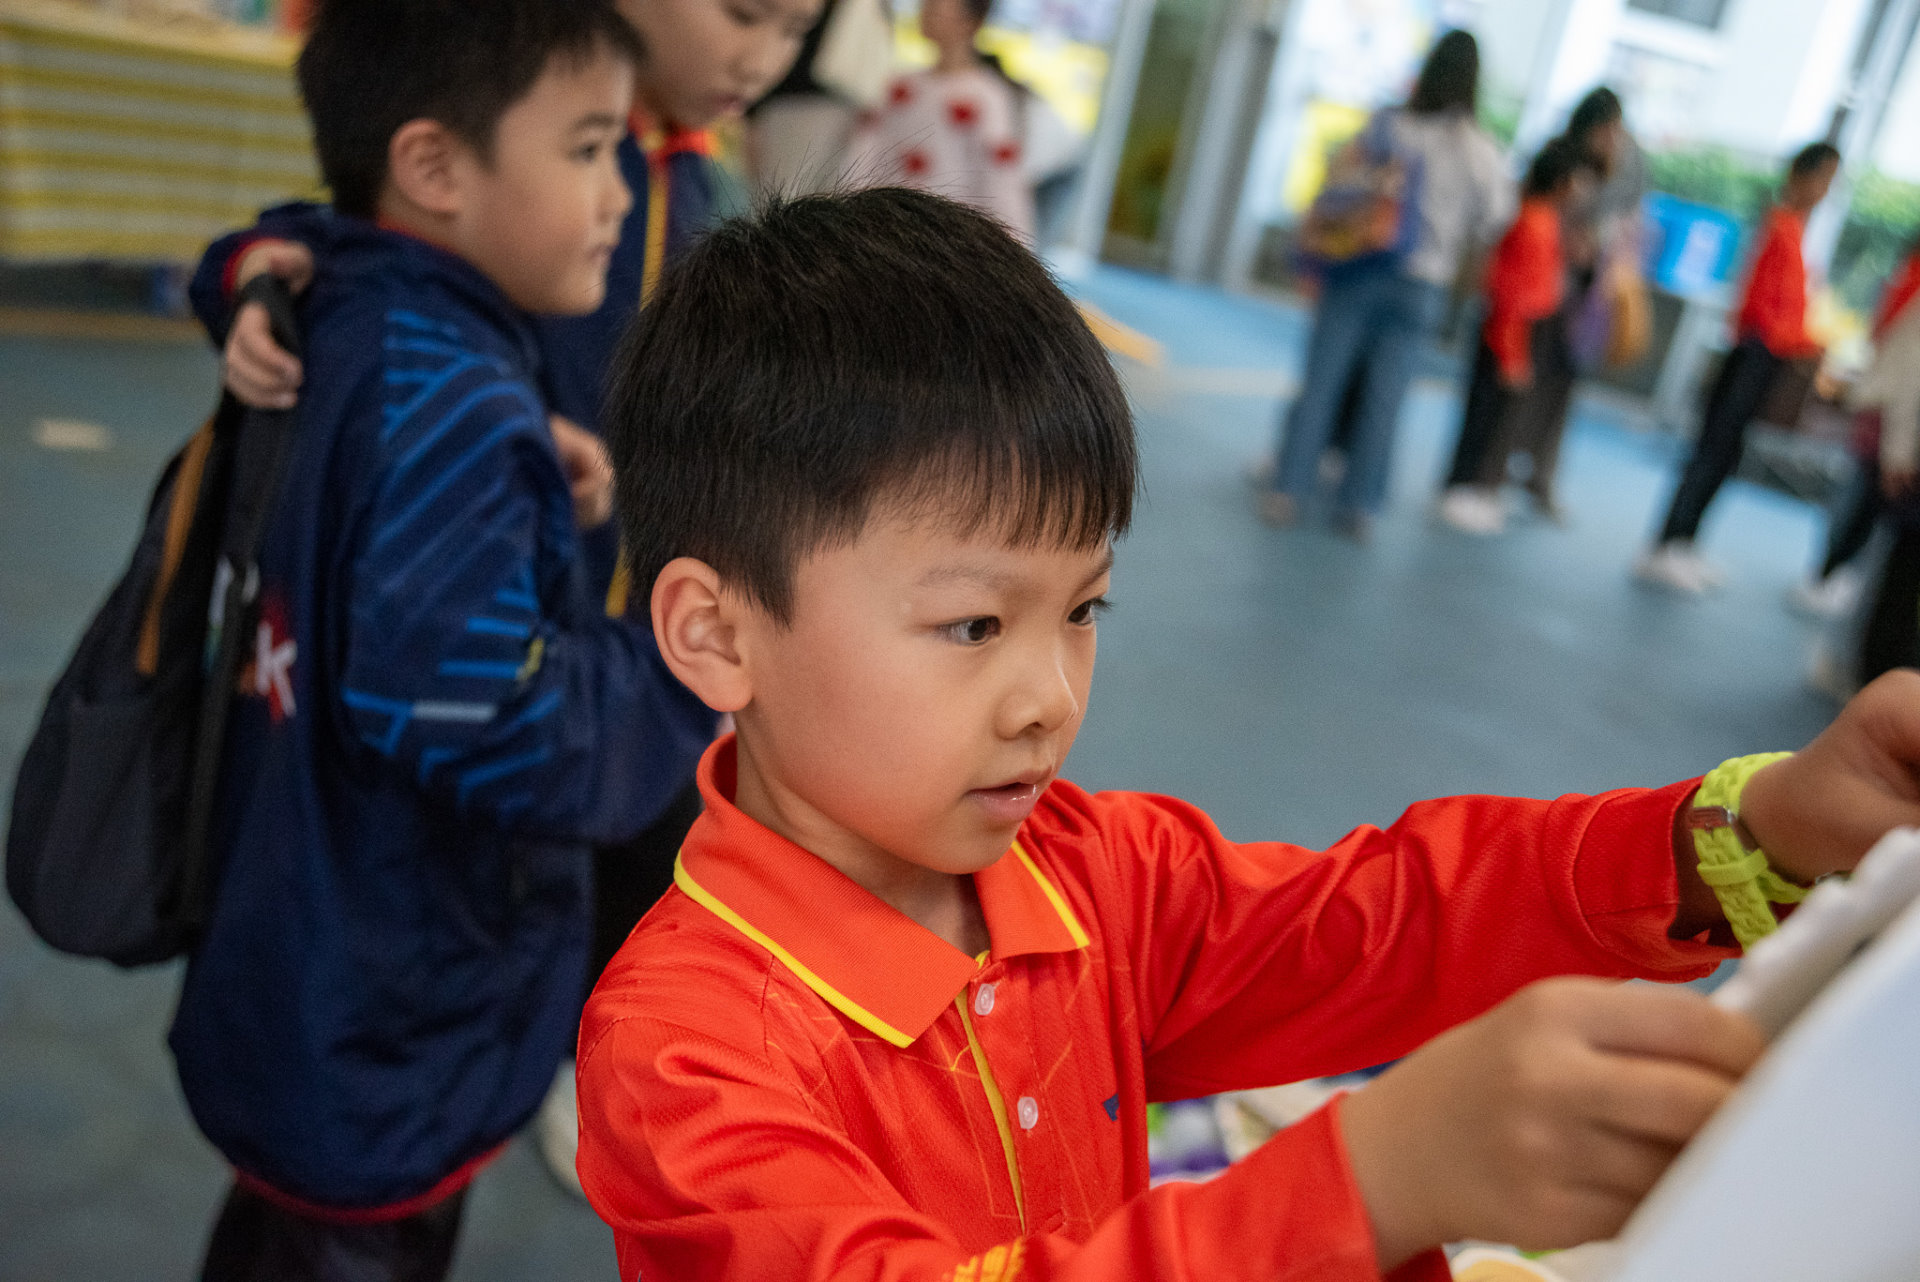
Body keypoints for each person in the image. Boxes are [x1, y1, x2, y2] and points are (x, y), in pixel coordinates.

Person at [572, 187, 1918, 1280]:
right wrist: (1371, 1180)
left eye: (1084, 609)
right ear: (719, 634)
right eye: (975, 624)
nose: (1050, 696)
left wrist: (1764, 828)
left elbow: (1391, 918)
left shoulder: (1092, 872)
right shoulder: (682, 1053)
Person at [193, 0, 824, 1193]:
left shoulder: (679, 183)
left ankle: (580, 1059)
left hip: (589, 623)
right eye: (744, 12)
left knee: (626, 875)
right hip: (551, 664)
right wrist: (250, 279)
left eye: (796, 30)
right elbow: (334, 242)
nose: (764, 54)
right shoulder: (520, 124)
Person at [1260, 29, 1511, 541]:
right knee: (1387, 398)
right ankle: (1360, 506)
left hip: (1359, 267)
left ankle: (1288, 488)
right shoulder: (1481, 149)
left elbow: (1336, 183)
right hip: (1425, 285)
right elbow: (1496, 219)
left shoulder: (1389, 126)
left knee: (1322, 382)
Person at [1637, 141, 1841, 594]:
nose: (1826, 190)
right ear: (1802, 176)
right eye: (1824, 178)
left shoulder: (1792, 230)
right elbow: (1768, 311)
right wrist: (1805, 342)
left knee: (1725, 454)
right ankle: (1667, 544)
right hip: (1753, 353)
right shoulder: (1780, 227)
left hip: (1765, 357)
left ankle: (1684, 542)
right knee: (1712, 451)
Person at [1502, 86, 1649, 522]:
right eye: (1608, 130)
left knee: (1562, 389)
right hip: (1544, 287)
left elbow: (1624, 221)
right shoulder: (1560, 162)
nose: (1613, 140)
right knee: (1525, 381)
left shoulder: (1617, 173)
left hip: (1585, 299)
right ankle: (1501, 465)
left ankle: (1540, 476)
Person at [1437, 138, 1588, 535]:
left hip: (1520, 329)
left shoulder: (1541, 217)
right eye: (1575, 181)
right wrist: (1512, 353)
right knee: (1487, 415)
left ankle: (1473, 488)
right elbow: (1512, 295)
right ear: (1561, 181)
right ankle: (1463, 488)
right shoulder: (1533, 221)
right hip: (1511, 331)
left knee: (1497, 415)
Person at [1788, 234, 1920, 619]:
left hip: (1883, 408)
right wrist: (1899, 447)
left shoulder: (1902, 280)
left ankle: (1830, 573)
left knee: (1863, 500)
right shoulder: (1911, 283)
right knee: (1870, 506)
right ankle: (1830, 574)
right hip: (1891, 414)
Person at [840, 0, 1036, 241]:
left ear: (971, 22)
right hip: (886, 225)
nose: (925, 10)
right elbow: (867, 153)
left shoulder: (986, 96)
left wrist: (1010, 241)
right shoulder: (902, 84)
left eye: (936, 5)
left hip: (946, 236)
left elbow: (1000, 178)